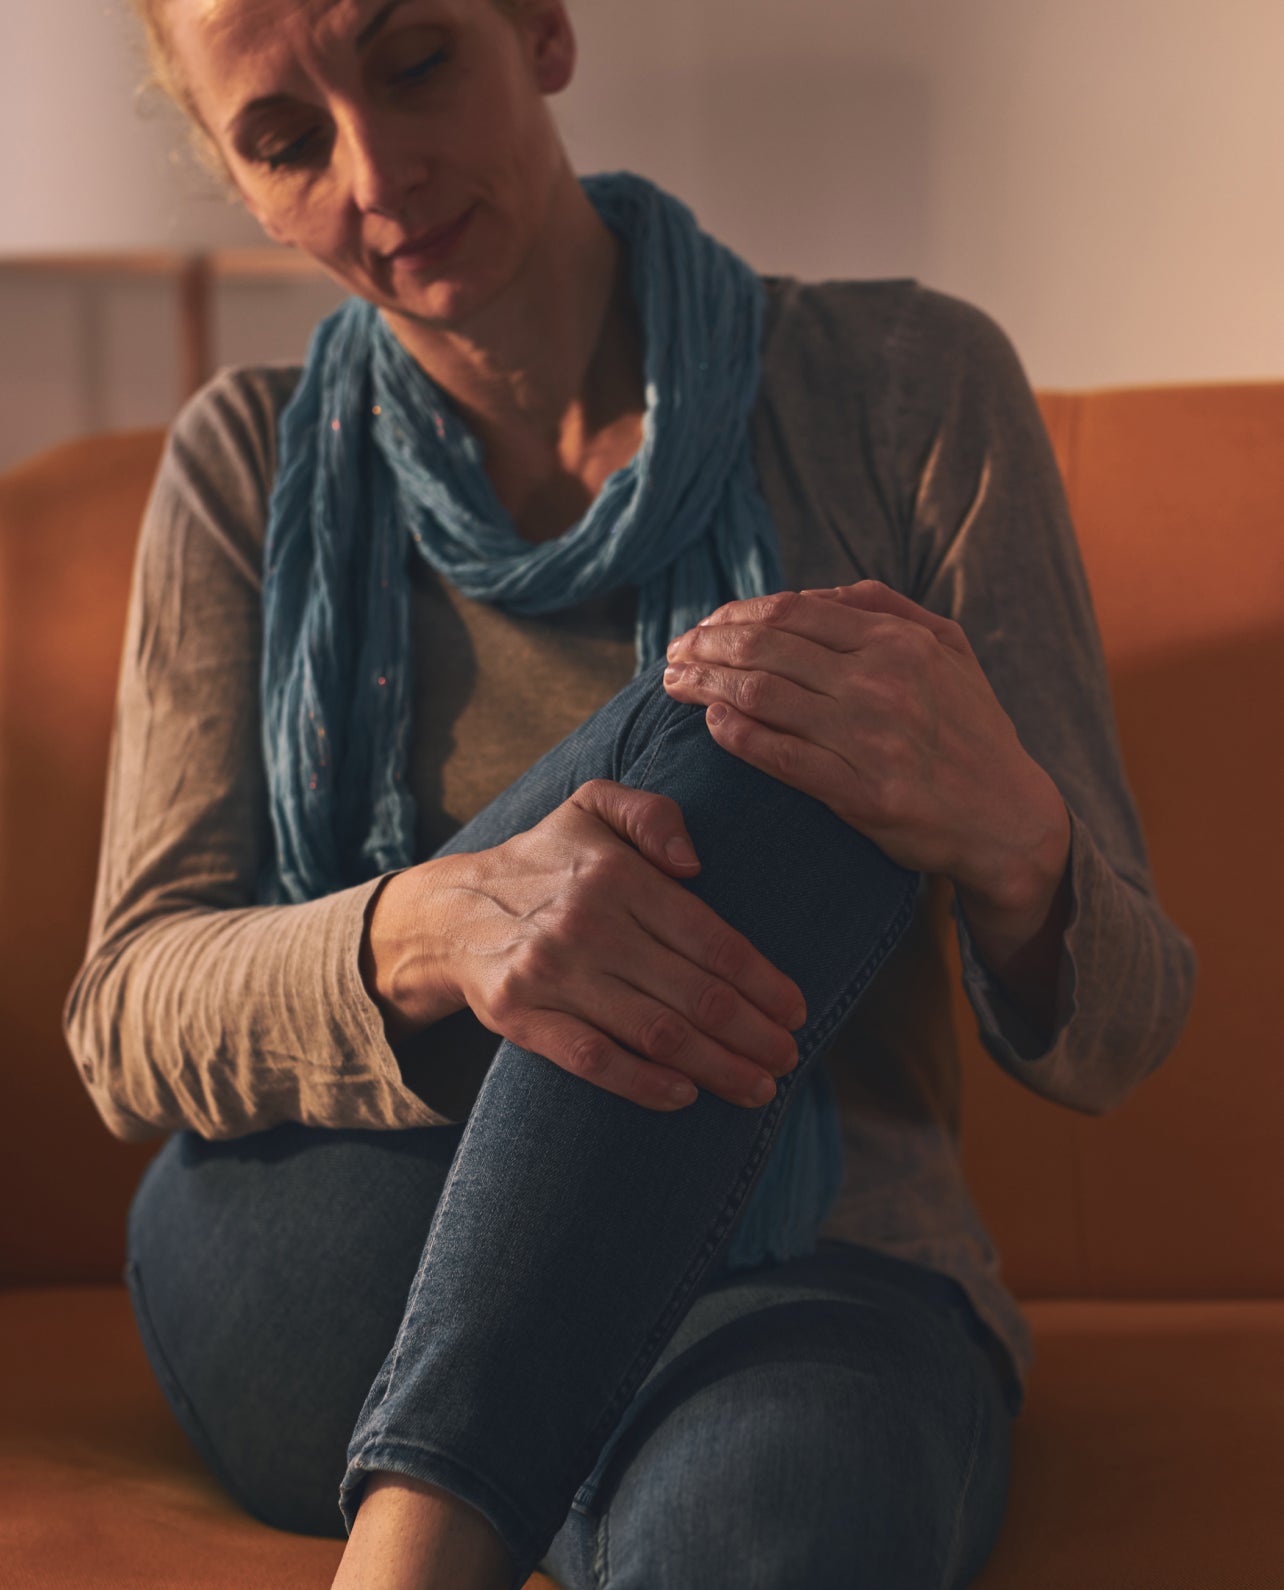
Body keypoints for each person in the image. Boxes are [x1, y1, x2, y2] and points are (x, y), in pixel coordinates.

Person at [62, 1, 1196, 1587]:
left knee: (792, 692)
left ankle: (448, 1519)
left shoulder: (903, 388)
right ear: (238, 182)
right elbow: (126, 1013)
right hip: (330, 1260)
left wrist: (1008, 828)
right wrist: (428, 926)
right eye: (286, 138)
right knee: (756, 717)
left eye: (412, 62)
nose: (376, 172)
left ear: (538, 27)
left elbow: (1122, 1032)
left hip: (804, 1282)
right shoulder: (244, 464)